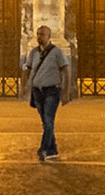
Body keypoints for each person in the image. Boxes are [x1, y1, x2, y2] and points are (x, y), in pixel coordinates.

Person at [23, 27, 72, 162]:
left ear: (49, 36)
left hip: (52, 90)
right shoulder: (33, 52)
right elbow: (28, 68)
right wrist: (26, 85)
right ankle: (52, 149)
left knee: (48, 120)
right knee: (46, 122)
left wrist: (65, 92)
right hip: (37, 91)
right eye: (38, 34)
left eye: (42, 34)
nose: (39, 37)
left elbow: (66, 71)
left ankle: (43, 149)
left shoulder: (57, 52)